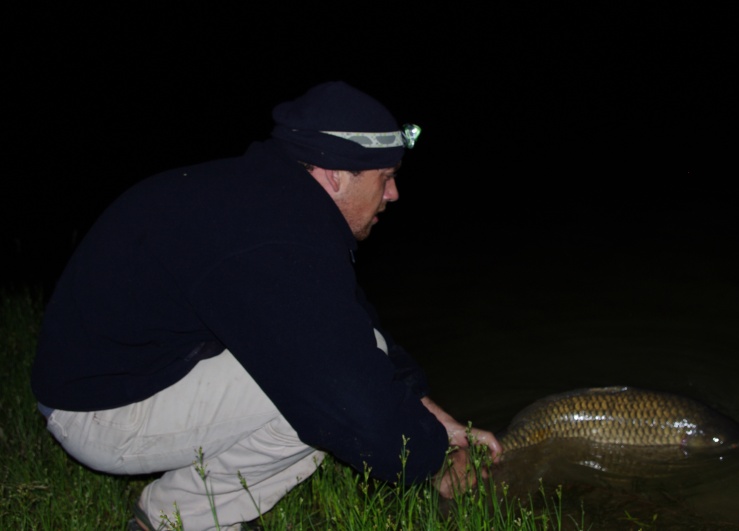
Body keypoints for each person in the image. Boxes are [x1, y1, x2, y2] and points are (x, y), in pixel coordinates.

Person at [31, 81, 502, 530]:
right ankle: (182, 519)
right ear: (336, 175)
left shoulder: (270, 202)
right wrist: (432, 460)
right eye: (386, 177)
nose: (394, 194)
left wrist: (446, 428)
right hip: (100, 409)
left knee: (346, 359)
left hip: (120, 375)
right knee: (322, 404)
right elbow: (347, 401)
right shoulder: (272, 237)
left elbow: (355, 328)